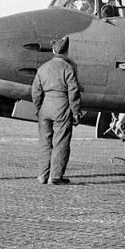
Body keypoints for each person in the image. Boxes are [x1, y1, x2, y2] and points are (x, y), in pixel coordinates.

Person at [31, 36, 82, 185]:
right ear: (66, 51)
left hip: (45, 108)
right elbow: (73, 92)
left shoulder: (43, 68)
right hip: (61, 107)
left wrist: (39, 108)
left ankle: (42, 175)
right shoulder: (68, 68)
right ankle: (55, 177)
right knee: (60, 143)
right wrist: (76, 112)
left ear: (54, 51)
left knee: (45, 143)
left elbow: (35, 91)